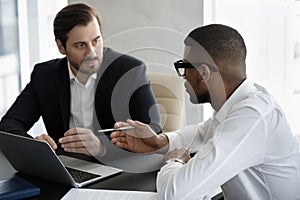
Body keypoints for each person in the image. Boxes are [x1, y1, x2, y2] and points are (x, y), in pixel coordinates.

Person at [110, 24, 300, 199]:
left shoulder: (252, 117)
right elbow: (202, 132)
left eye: (184, 68)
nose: (183, 78)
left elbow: (174, 194)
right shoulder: (240, 103)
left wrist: (174, 161)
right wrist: (158, 142)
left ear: (204, 74)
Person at [0, 3, 161, 158]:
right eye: (80, 45)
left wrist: (102, 147)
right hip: (66, 166)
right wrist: (35, 146)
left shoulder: (130, 71)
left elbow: (154, 131)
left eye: (96, 41)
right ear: (61, 47)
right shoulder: (45, 75)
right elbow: (8, 126)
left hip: (117, 167)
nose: (91, 52)